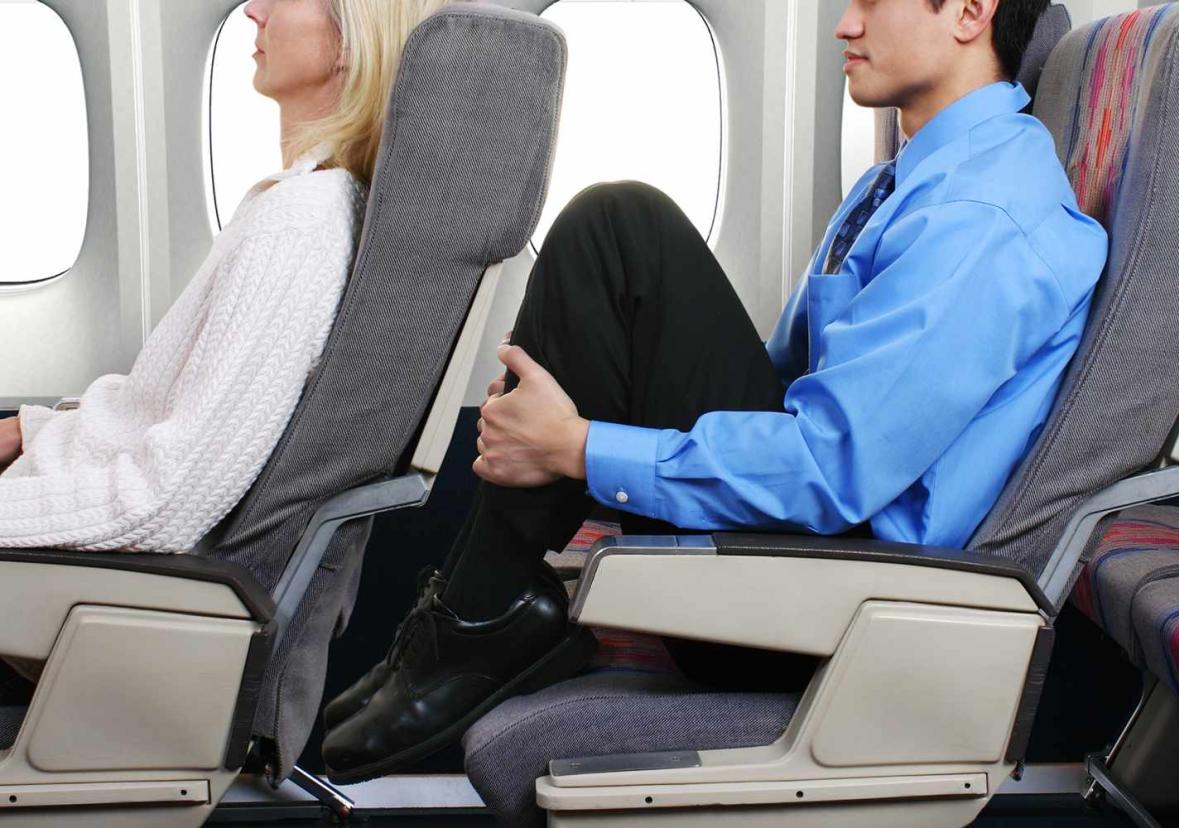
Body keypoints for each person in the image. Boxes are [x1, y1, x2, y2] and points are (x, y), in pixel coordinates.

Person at [319, 0, 1107, 781]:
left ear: (971, 11)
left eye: (870, 0)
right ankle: (476, 611)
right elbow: (776, 376)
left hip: (843, 608)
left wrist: (578, 446)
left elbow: (834, 470)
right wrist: (593, 379)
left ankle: (477, 617)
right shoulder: (910, 182)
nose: (845, 25)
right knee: (611, 252)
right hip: (806, 566)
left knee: (621, 227)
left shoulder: (984, 216)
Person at [0, 0, 451, 552]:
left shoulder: (300, 224)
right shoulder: (302, 201)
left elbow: (164, 504)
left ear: (352, 40)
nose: (253, 11)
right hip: (57, 482)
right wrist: (34, 431)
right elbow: (166, 415)